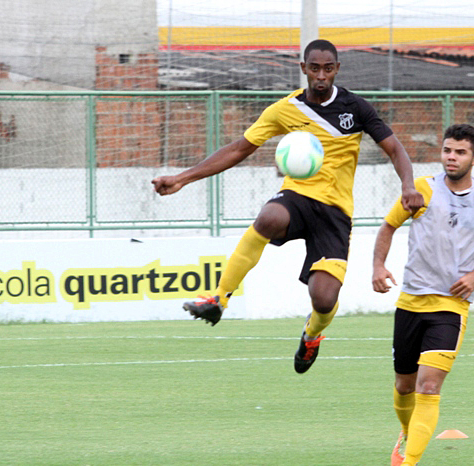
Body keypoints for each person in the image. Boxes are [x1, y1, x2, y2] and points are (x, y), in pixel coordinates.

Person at [153, 39, 423, 374]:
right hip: (297, 197)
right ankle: (218, 299)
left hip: (335, 213)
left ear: (337, 69)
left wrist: (408, 185)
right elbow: (238, 149)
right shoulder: (285, 109)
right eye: (315, 68)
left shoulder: (355, 108)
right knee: (269, 217)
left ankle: (312, 334)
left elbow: (395, 149)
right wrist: (182, 178)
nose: (321, 76)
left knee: (324, 298)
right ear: (303, 68)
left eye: (328, 69)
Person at [372, 123, 474, 466]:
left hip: (451, 307)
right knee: (404, 386)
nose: (451, 157)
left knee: (429, 386)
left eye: (460, 152)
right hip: (410, 302)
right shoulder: (421, 189)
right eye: (447, 150)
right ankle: (407, 433)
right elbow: (387, 227)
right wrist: (378, 266)